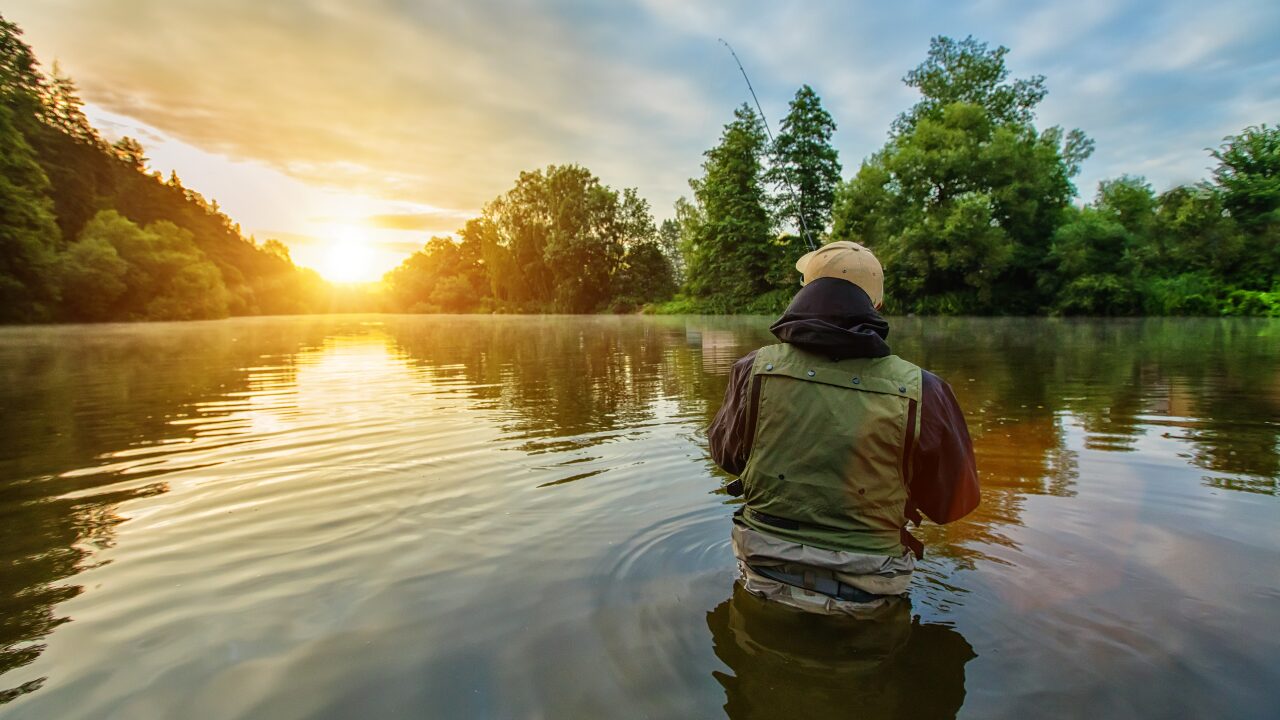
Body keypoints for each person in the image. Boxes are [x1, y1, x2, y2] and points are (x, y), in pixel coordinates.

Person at [708, 241, 979, 616]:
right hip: (871, 591)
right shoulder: (925, 390)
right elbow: (954, 505)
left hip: (763, 574)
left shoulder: (750, 370)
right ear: (876, 306)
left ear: (803, 294)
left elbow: (727, 457)